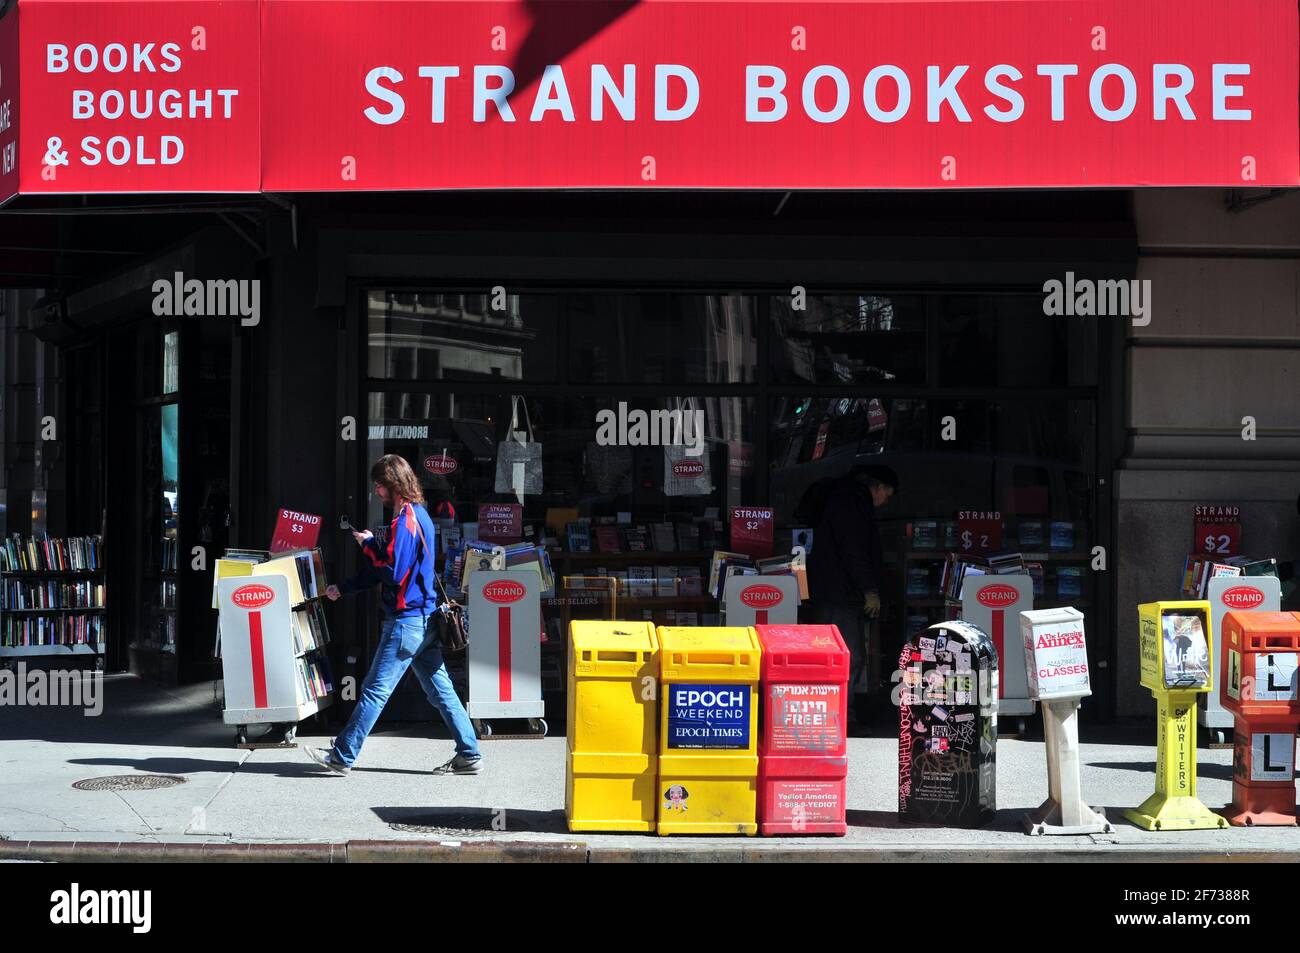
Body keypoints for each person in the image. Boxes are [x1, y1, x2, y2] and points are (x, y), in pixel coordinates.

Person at [305, 454, 482, 776]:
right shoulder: (419, 517)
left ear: (393, 486)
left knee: (375, 690)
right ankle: (469, 754)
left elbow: (393, 572)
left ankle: (342, 756)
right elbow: (392, 569)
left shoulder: (406, 521)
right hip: (424, 619)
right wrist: (343, 588)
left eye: (379, 487)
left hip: (407, 621)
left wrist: (370, 545)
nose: (377, 493)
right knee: (441, 691)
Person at [805, 464, 898, 729]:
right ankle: (842, 716)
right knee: (847, 654)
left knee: (838, 653)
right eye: (887, 495)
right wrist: (869, 589)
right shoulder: (852, 503)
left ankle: (838, 712)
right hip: (840, 595)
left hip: (832, 592)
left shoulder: (842, 499)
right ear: (878, 486)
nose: (884, 502)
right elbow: (854, 550)